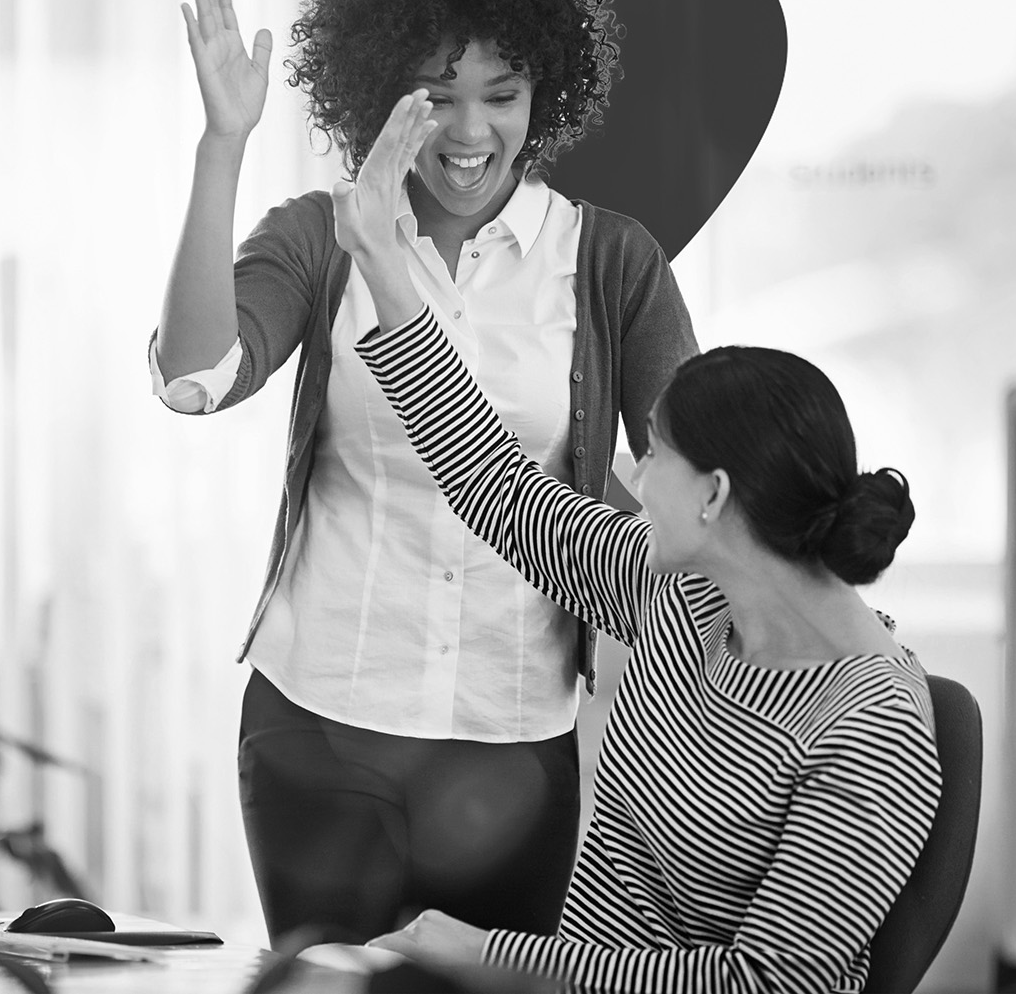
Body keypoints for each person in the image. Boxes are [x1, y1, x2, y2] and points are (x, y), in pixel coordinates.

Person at [151, 0, 697, 944]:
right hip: (321, 724)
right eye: (436, 94)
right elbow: (193, 376)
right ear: (380, 88)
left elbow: (701, 493)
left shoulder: (610, 263)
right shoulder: (322, 235)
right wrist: (223, 145)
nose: (468, 130)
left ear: (546, 93)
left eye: (502, 94)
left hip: (513, 732)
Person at [331, 92, 944, 994]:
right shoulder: (686, 602)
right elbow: (495, 484)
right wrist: (384, 264)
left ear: (714, 495)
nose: (635, 474)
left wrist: (488, 957)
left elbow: (765, 985)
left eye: (654, 454)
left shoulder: (871, 724)